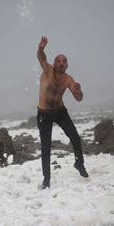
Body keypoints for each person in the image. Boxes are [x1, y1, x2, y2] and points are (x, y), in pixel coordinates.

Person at [36, 36, 89, 189]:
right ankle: (46, 179)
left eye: (63, 61)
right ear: (54, 63)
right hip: (43, 113)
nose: (60, 63)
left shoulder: (68, 79)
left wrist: (79, 91)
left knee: (75, 137)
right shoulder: (47, 71)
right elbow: (41, 58)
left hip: (60, 111)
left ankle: (79, 164)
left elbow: (78, 98)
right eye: (58, 61)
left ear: (67, 65)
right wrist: (41, 48)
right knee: (46, 147)